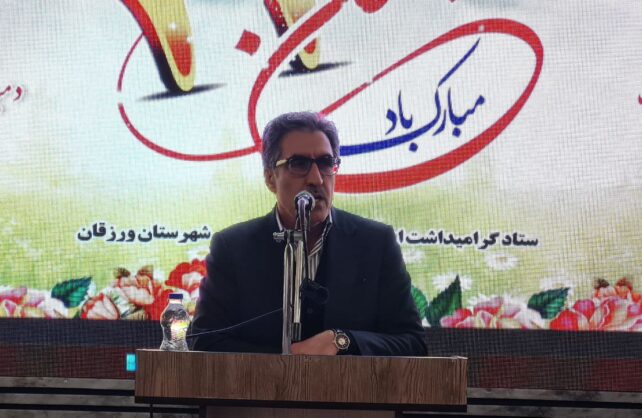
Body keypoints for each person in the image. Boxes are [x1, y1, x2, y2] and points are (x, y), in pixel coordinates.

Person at [190, 112, 426, 356]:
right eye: (299, 164)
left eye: (326, 163)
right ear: (270, 178)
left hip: (350, 383)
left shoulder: (376, 243)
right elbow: (204, 342)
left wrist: (342, 341)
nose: (316, 179)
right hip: (260, 382)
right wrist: (283, 365)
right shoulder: (232, 248)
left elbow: (413, 344)